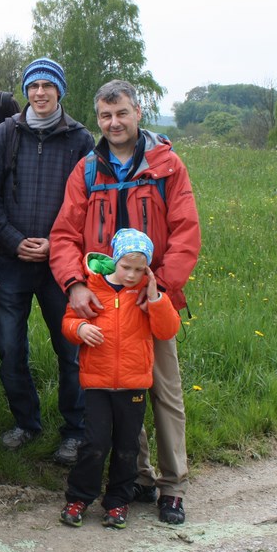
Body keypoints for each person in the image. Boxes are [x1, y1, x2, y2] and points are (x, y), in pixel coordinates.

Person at [50, 79, 201, 525]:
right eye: (105, 115)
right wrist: (75, 285)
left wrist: (159, 291)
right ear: (97, 118)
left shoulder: (167, 166)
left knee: (165, 393)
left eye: (121, 113)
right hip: (101, 300)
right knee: (120, 392)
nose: (113, 123)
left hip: (151, 301)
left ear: (138, 112)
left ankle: (172, 487)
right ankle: (139, 477)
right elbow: (64, 235)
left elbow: (186, 233)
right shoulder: (87, 170)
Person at [0, 58, 94, 466]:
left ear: (60, 91)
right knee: (10, 348)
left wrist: (56, 244)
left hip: (61, 264)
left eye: (48, 85)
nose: (40, 92)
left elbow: (87, 203)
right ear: (26, 91)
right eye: (33, 86)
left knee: (71, 350)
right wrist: (13, 241)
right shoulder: (5, 133)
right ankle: (26, 422)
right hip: (11, 261)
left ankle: (76, 430)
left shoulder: (80, 139)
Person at [58, 229, 180, 530]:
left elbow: (167, 330)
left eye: (140, 269)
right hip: (97, 384)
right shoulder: (93, 287)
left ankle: (118, 501)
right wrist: (80, 329)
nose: (132, 275)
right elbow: (69, 322)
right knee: (94, 444)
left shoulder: (146, 294)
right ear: (115, 260)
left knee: (128, 447)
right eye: (126, 267)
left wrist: (155, 297)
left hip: (133, 385)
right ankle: (79, 497)